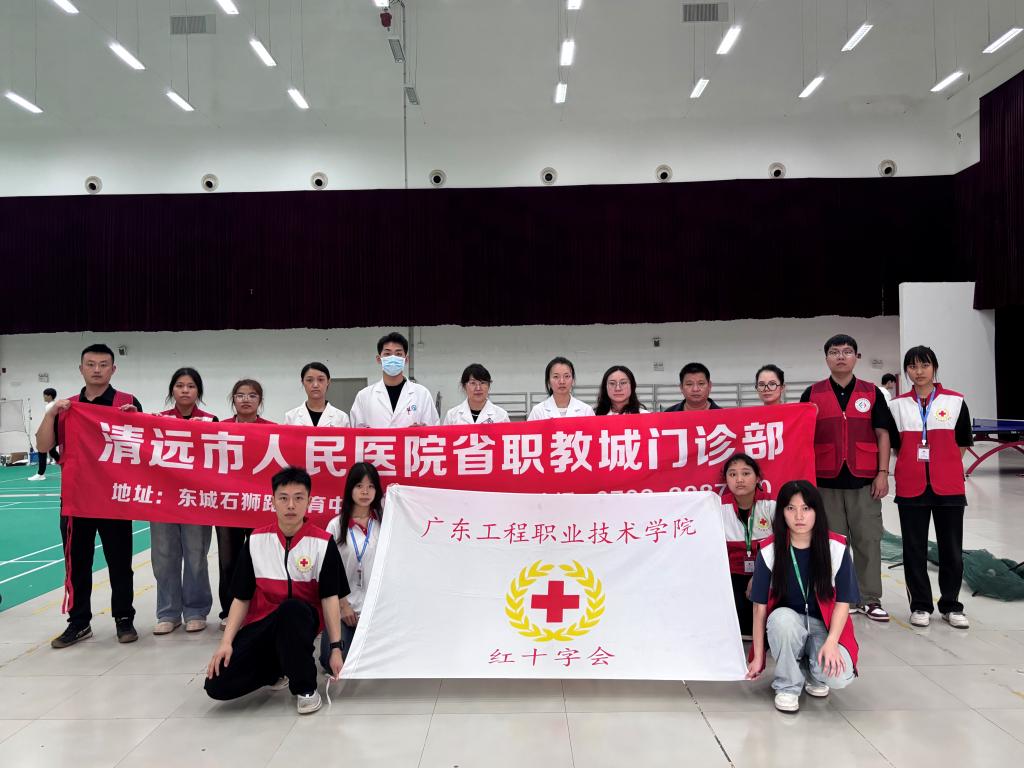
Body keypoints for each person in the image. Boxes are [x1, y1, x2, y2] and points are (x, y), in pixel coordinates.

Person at [205, 466, 347, 715]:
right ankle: (278, 667)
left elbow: (329, 598)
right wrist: (226, 643)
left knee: (291, 609)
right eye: (284, 498)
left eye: (298, 498)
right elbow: (241, 598)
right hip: (263, 625)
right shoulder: (256, 540)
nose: (291, 505)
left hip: (301, 621)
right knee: (217, 685)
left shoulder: (322, 543)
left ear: (309, 502)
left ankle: (305, 688)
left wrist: (336, 648)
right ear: (273, 501)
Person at [35, 343, 142, 648]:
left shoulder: (127, 402)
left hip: (114, 498)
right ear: (81, 368)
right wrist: (50, 414)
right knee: (77, 564)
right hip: (77, 499)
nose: (97, 369)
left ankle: (124, 618)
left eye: (103, 364)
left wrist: (135, 420)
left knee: (120, 562)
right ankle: (79, 622)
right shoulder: (67, 407)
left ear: (113, 369)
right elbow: (43, 446)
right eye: (91, 364)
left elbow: (144, 448)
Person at [800, 334, 896, 623]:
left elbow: (883, 434)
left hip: (864, 481)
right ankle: (843, 596)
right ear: (826, 358)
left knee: (868, 539)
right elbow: (802, 438)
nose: (840, 356)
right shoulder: (812, 394)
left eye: (846, 351)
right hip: (825, 482)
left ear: (857, 357)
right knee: (833, 544)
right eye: (834, 352)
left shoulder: (872, 393)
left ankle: (870, 598)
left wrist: (883, 473)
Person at [746, 480, 859, 713]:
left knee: (839, 677)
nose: (799, 516)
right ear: (782, 512)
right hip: (789, 623)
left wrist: (832, 642)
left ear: (817, 511)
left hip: (824, 627)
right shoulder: (769, 549)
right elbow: (759, 608)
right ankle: (787, 685)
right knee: (781, 620)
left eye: (806, 508)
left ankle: (810, 673)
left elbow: (842, 603)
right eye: (791, 508)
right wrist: (757, 657)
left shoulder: (836, 546)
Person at [888, 346, 973, 629]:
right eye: (912, 366)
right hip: (911, 487)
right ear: (906, 371)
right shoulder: (897, 405)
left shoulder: (955, 401)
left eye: (924, 365)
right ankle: (920, 605)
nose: (919, 371)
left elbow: (962, 443)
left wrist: (943, 466)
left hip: (949, 487)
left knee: (952, 550)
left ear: (934, 367)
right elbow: (896, 446)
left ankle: (951, 605)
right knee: (914, 550)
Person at [152, 367, 216, 635]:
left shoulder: (211, 421)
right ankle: (168, 612)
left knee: (196, 556)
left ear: (198, 391)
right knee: (163, 557)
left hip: (196, 501)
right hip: (163, 501)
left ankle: (195, 611)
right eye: (179, 386)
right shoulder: (157, 420)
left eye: (191, 386)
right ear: (172, 390)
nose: (185, 390)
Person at [215, 379, 276, 629]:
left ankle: (259, 609)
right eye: (240, 395)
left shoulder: (273, 430)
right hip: (226, 506)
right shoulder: (218, 429)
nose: (246, 400)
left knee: (259, 558)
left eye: (252, 395)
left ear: (260, 400)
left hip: (258, 506)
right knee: (228, 561)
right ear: (233, 399)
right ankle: (229, 611)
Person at [320, 462, 384, 670]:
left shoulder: (384, 523)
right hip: (345, 609)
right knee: (331, 660)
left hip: (377, 609)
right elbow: (328, 574)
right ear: (350, 489)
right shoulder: (335, 525)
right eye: (359, 486)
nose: (365, 492)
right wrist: (343, 605)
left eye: (371, 486)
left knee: (384, 659)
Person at [720, 454, 776, 636]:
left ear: (757, 477)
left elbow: (783, 545)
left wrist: (760, 574)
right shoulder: (718, 508)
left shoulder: (771, 505)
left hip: (767, 572)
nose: (739, 479)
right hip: (733, 574)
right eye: (733, 474)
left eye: (745, 473)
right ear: (726, 479)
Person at [351, 332, 440, 428]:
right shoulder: (364, 396)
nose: (393, 358)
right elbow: (354, 432)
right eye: (387, 354)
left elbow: (434, 430)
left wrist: (422, 431)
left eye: (398, 354)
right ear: (379, 359)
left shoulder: (422, 394)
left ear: (406, 360)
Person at [284, 362, 350, 427]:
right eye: (309, 380)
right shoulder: (291, 417)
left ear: (328, 382)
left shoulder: (342, 418)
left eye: (320, 380)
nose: (315, 385)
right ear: (302, 382)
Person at [527, 357, 595, 420]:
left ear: (573, 380)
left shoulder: (586, 411)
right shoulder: (538, 412)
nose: (562, 381)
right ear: (548, 381)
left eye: (566, 376)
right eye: (556, 377)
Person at [442, 364, 511, 425]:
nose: (478, 388)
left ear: (489, 386)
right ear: (464, 386)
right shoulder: (452, 416)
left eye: (482, 383)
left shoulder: (501, 416)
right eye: (473, 383)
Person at [28, 388, 62, 481]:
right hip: (55, 432)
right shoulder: (54, 405)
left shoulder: (50, 406)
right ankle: (65, 467)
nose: (43, 397)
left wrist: (41, 433)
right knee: (52, 451)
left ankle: (40, 474)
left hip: (52, 433)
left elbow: (48, 422)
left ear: (49, 396)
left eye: (44, 395)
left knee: (42, 450)